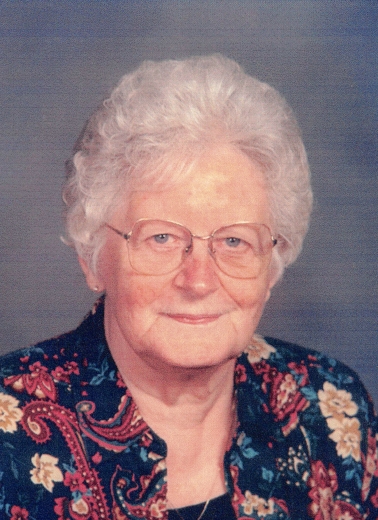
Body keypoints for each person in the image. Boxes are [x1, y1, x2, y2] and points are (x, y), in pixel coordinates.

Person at [0, 54, 376, 520]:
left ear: (273, 262)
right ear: (92, 256)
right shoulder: (9, 435)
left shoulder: (330, 407)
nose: (198, 279)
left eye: (234, 240)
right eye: (161, 238)